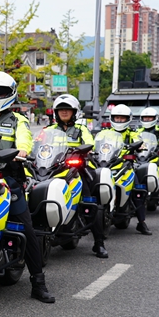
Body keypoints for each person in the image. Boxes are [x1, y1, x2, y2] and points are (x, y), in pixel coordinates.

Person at [0, 71, 55, 303]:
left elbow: (25, 140)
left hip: (8, 180)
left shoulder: (19, 121)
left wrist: (22, 151)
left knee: (26, 230)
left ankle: (38, 282)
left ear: (11, 94)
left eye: (1, 92)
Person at [46, 94, 108, 258]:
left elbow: (90, 143)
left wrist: (82, 150)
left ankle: (99, 243)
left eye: (68, 109)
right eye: (61, 110)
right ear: (56, 113)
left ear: (74, 112)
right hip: (53, 169)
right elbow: (38, 145)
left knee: (89, 202)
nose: (64, 112)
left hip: (77, 169)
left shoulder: (82, 129)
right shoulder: (49, 130)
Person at [106, 104, 152, 235]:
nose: (119, 121)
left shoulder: (133, 134)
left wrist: (139, 147)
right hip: (107, 165)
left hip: (126, 167)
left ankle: (141, 222)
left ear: (128, 119)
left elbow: (141, 144)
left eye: (122, 118)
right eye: (117, 118)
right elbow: (96, 144)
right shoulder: (106, 133)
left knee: (139, 191)